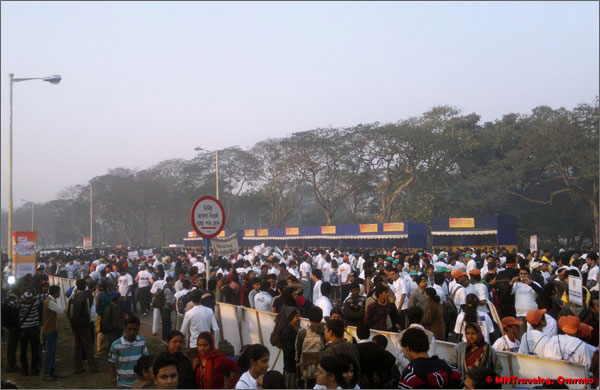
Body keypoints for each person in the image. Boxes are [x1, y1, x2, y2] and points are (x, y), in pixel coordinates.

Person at [398, 327, 463, 389]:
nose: (405, 353)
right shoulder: (452, 369)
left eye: (404, 350)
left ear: (408, 348)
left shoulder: (409, 376)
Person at [109, 316, 150, 389]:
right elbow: (112, 366)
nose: (132, 332)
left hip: (139, 383)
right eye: (129, 329)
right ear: (125, 329)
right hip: (122, 384)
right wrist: (114, 385)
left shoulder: (142, 341)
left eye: (135, 329)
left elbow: (147, 361)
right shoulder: (116, 345)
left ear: (139, 329)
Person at [68, 279, 98, 374]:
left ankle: (77, 368)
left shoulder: (73, 296)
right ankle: (92, 367)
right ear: (85, 285)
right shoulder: (86, 296)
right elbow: (88, 312)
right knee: (88, 346)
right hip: (84, 324)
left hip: (74, 324)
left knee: (77, 346)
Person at [180, 289, 220, 354]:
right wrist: (216, 346)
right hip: (207, 345)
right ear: (201, 298)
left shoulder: (188, 313)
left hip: (194, 345)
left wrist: (181, 345)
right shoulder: (209, 311)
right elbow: (216, 329)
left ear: (191, 299)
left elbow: (182, 331)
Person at [296, 306, 326, 390]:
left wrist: (297, 376)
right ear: (321, 317)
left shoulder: (303, 332)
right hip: (322, 373)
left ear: (309, 317)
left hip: (305, 373)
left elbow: (297, 354)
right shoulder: (326, 332)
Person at [41, 285, 64, 381]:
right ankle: (47, 373)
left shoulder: (48, 301)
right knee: (50, 353)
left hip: (49, 329)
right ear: (55, 293)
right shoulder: (50, 302)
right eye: (58, 292)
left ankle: (51, 372)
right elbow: (61, 310)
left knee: (52, 352)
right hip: (50, 330)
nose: (59, 294)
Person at [19, 289, 42, 377]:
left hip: (23, 329)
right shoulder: (36, 303)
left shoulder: (19, 304)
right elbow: (39, 299)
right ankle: (34, 370)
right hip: (34, 328)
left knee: (23, 351)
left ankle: (24, 370)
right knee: (34, 350)